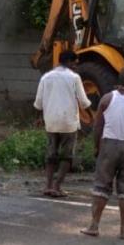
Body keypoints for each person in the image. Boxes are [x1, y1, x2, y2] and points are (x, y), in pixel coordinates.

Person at [81, 65, 124, 239]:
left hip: (108, 146)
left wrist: (97, 147)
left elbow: (98, 127)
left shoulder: (107, 98)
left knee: (101, 186)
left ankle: (93, 226)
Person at [34, 50, 91, 197]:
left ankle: (47, 186)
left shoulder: (46, 77)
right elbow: (84, 102)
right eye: (75, 63)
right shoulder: (74, 77)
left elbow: (38, 102)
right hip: (68, 123)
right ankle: (57, 187)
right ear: (69, 62)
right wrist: (91, 115)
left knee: (51, 155)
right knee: (67, 157)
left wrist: (39, 118)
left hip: (51, 122)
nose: (76, 66)